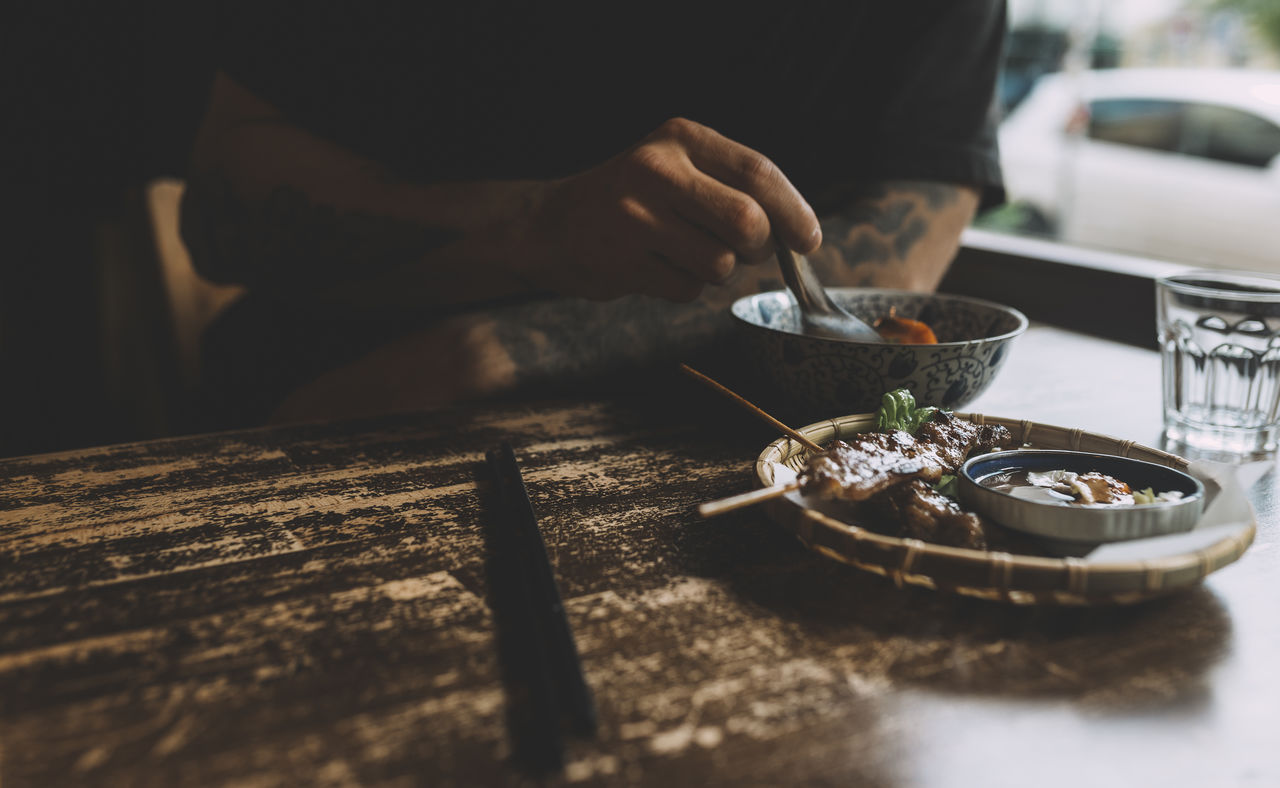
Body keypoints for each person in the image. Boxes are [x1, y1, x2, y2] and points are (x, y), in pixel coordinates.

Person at [180, 1, 1007, 429]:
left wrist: (515, 344)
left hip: (722, 451)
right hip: (333, 407)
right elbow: (222, 211)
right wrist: (532, 230)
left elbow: (896, 262)